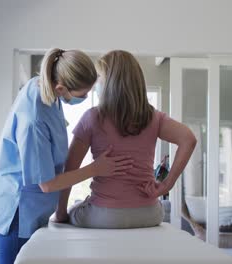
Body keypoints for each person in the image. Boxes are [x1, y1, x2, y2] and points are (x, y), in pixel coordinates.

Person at [0, 48, 133, 264]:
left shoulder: (44, 86)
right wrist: (95, 168)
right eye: (82, 95)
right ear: (61, 87)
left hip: (34, 206)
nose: (84, 98)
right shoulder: (34, 120)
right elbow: (46, 184)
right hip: (17, 210)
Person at [53, 50, 197, 229]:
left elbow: (70, 169)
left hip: (105, 215)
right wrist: (166, 185)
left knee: (76, 208)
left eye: (98, 77)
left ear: (107, 83)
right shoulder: (153, 117)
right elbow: (188, 139)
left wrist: (60, 214)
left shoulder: (92, 118)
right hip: (150, 213)